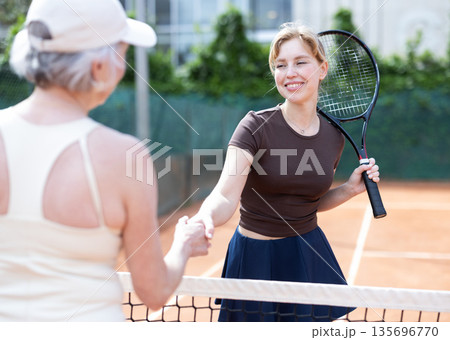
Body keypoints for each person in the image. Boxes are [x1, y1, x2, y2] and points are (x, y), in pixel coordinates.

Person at [0, 0, 209, 321]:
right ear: (98, 67)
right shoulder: (127, 157)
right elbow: (154, 291)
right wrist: (182, 245)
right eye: (122, 52)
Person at [190, 22, 381, 322]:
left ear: (322, 69)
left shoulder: (333, 137)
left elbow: (305, 203)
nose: (289, 72)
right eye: (280, 65)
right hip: (254, 260)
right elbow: (225, 197)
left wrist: (349, 189)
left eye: (300, 62)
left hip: (307, 255)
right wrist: (203, 218)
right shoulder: (254, 127)